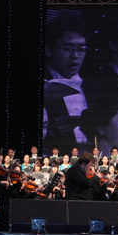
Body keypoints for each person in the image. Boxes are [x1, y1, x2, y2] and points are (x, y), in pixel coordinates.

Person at [42, 21, 90, 153]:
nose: (75, 56)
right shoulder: (45, 85)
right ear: (49, 50)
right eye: (67, 49)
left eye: (81, 49)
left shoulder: (95, 86)